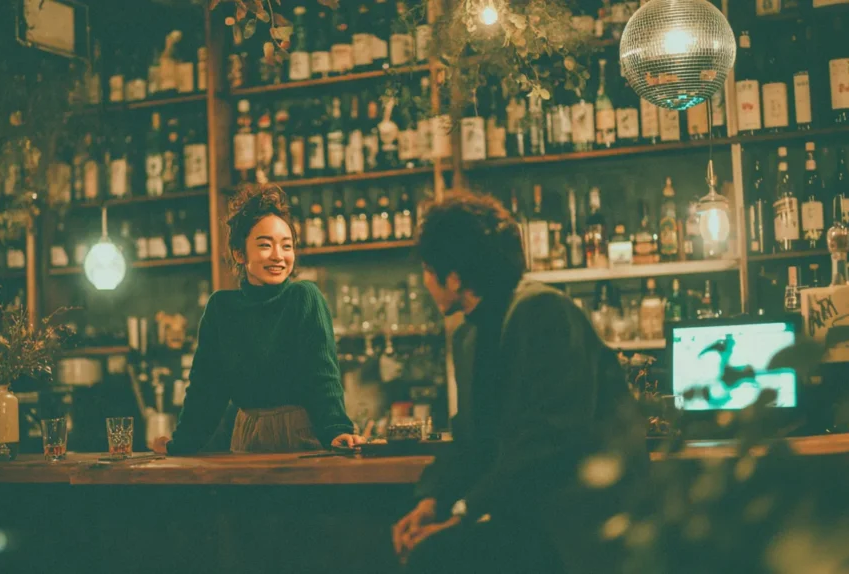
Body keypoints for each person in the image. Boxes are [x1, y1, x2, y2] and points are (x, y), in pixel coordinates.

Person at [391, 192, 647, 573]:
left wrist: (464, 511)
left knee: (434, 558)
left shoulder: (542, 312)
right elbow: (471, 438)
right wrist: (433, 501)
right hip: (527, 518)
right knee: (427, 552)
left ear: (455, 276)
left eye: (428, 269)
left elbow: (550, 439)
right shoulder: (469, 335)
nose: (426, 282)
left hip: (581, 525)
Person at [152, 184, 363, 454]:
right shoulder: (221, 308)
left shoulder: (305, 297)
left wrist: (337, 429)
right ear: (240, 253)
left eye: (287, 246)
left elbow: (323, 375)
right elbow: (206, 390)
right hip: (247, 436)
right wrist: (180, 445)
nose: (278, 255)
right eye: (265, 245)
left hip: (302, 434)